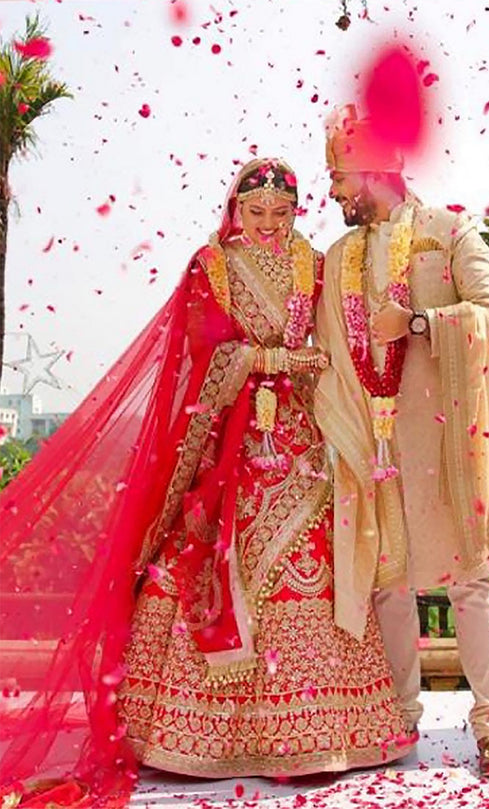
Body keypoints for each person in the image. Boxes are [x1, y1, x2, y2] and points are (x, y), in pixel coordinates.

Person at [0, 158, 413, 808]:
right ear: (235, 210)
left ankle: (317, 728)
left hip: (302, 436)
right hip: (230, 440)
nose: (268, 224)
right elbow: (203, 346)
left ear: (296, 211)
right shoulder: (212, 265)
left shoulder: (314, 264)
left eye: (280, 213)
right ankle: (197, 734)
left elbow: (338, 338)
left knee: (309, 561)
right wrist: (266, 357)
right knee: (210, 556)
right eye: (256, 212)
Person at [315, 104, 489, 778]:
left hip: (444, 446)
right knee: (387, 587)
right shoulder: (338, 258)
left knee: (468, 584)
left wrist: (419, 323)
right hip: (371, 448)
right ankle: (399, 718)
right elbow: (327, 351)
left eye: (339, 176)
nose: (332, 192)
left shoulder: (448, 232)